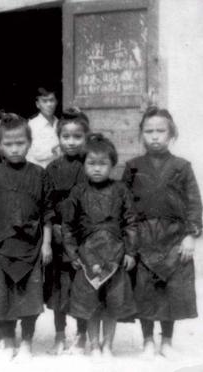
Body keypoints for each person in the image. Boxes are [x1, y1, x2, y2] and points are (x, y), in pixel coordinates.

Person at [122, 107, 202, 358]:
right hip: (143, 237)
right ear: (141, 135)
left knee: (172, 292)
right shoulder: (133, 167)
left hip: (175, 238)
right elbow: (123, 205)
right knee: (145, 291)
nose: (154, 136)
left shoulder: (182, 167)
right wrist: (128, 241)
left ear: (171, 134)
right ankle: (147, 341)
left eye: (160, 131)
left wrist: (191, 235)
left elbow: (194, 204)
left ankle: (166, 341)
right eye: (149, 131)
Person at [62, 134, 137, 357]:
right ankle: (94, 345)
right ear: (84, 164)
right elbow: (68, 225)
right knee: (92, 303)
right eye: (91, 163)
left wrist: (131, 251)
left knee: (112, 303)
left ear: (112, 165)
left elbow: (131, 221)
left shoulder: (120, 190)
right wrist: (72, 252)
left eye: (103, 164)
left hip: (114, 254)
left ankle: (107, 346)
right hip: (88, 256)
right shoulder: (78, 192)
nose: (97, 169)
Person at [0, 115, 53, 358]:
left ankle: (26, 342)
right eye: (9, 143)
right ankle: (8, 340)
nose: (14, 149)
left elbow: (47, 212)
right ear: (0, 144)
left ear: (29, 142)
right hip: (2, 246)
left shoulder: (39, 174)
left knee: (29, 297)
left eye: (20, 143)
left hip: (30, 246)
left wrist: (46, 244)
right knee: (2, 297)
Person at [44, 108, 90, 354]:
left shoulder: (90, 166)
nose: (71, 142)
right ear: (58, 137)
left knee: (82, 286)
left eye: (77, 137)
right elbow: (46, 203)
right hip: (59, 237)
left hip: (83, 237)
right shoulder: (52, 169)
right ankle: (60, 335)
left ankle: (82, 335)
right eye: (66, 137)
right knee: (58, 289)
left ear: (86, 137)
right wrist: (55, 228)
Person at [26, 87, 60, 168]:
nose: (49, 104)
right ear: (38, 104)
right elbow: (34, 153)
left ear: (56, 102)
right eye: (44, 101)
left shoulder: (60, 124)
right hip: (38, 173)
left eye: (51, 100)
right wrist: (53, 150)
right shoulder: (32, 125)